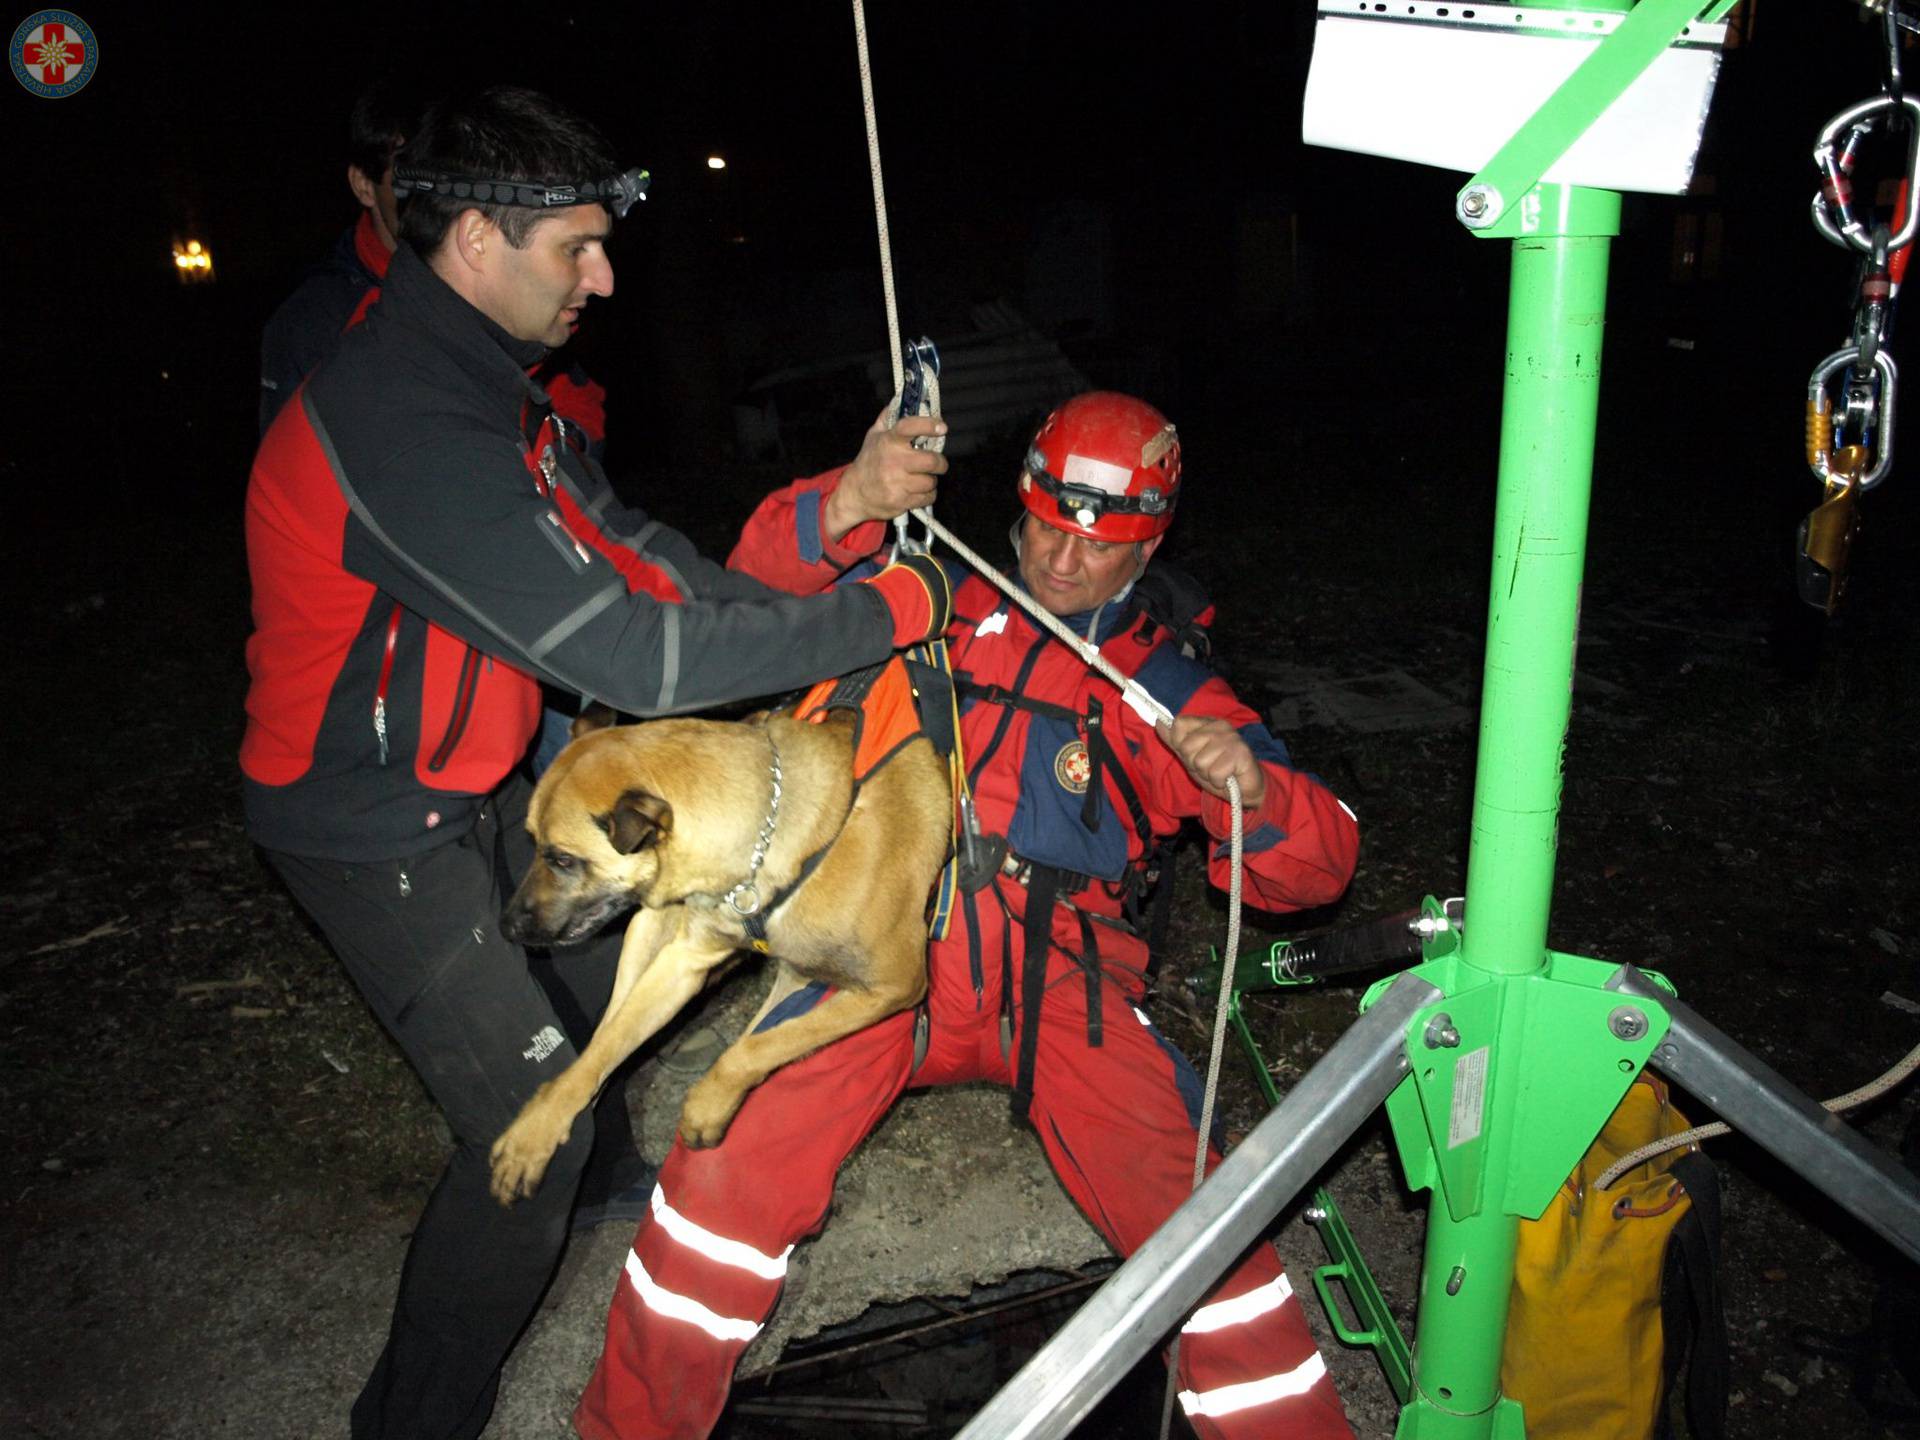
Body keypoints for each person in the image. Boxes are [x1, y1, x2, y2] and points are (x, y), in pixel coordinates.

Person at [240, 84, 950, 1440]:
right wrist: (888, 617)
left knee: (593, 973)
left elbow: (660, 571)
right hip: (368, 823)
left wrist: (840, 518)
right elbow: (629, 660)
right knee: (532, 1126)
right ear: (477, 244)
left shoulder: (503, 402)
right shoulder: (398, 419)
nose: (604, 274)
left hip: (491, 790)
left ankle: (597, 1165)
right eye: (576, 245)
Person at [577, 392, 1363, 1439]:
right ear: (1019, 505)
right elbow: (753, 592)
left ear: (1151, 543)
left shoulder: (1165, 685)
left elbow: (1320, 868)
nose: (1064, 562)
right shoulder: (926, 597)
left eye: (1101, 543)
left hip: (1064, 980)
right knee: (721, 1174)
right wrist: (851, 498)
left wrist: (1258, 800)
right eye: (1047, 525)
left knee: (1206, 1234)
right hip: (876, 943)